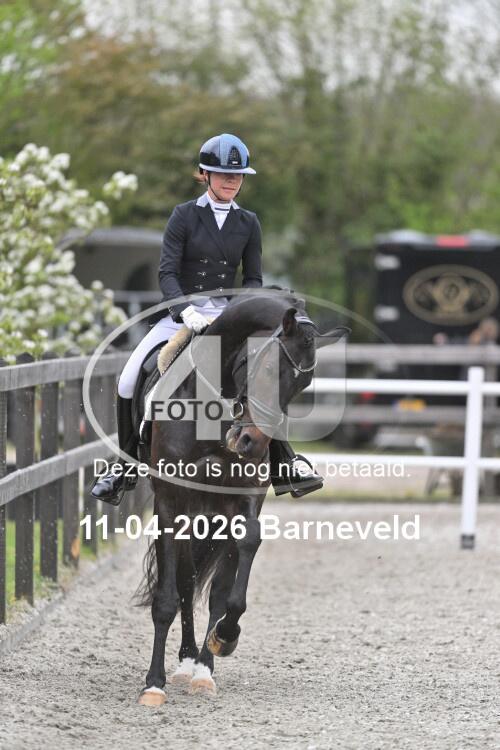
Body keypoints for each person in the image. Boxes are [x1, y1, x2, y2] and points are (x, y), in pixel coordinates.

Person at [91, 133, 323, 504]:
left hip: (230, 316)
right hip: (182, 315)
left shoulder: (248, 222)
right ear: (205, 175)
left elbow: (253, 280)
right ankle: (125, 465)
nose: (231, 181)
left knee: (266, 380)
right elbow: (167, 272)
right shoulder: (184, 215)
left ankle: (285, 462)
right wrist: (185, 310)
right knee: (129, 377)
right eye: (223, 174)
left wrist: (243, 312)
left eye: (237, 175)